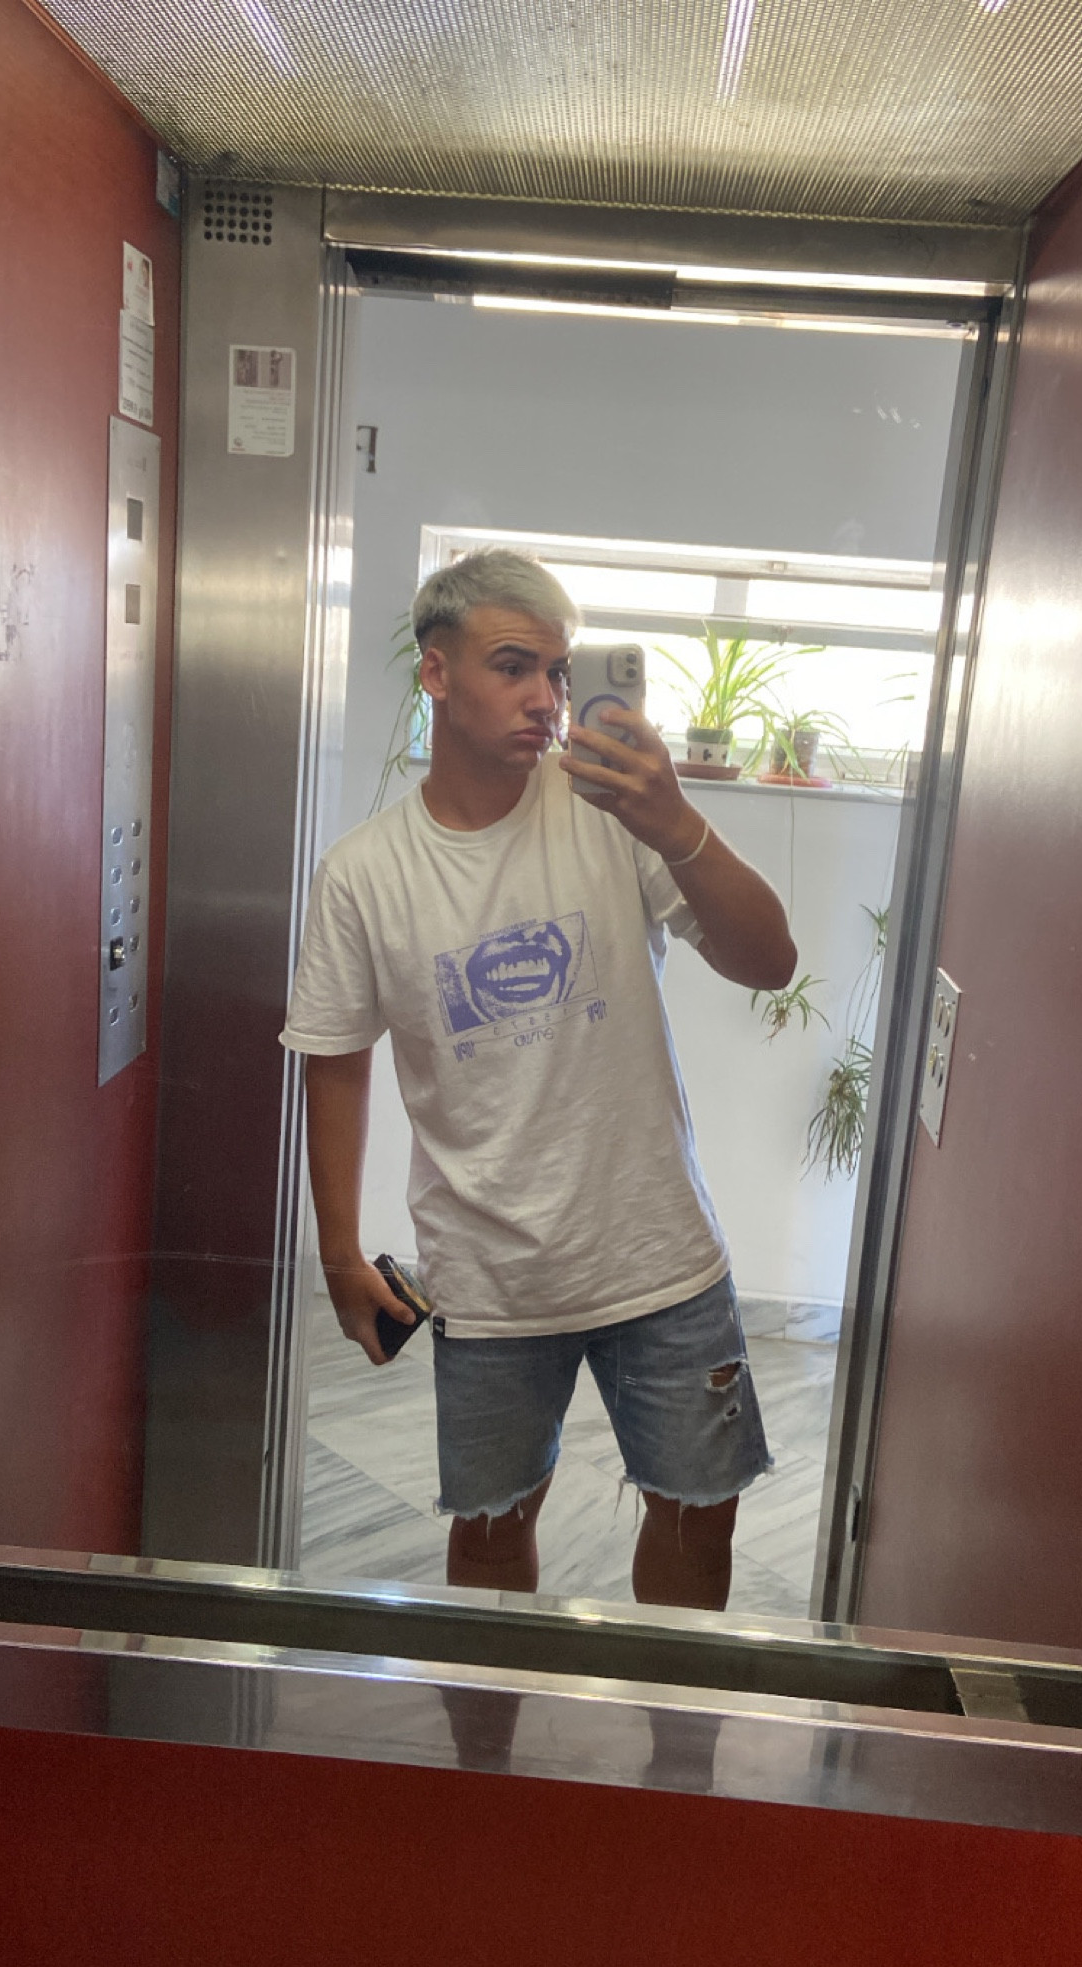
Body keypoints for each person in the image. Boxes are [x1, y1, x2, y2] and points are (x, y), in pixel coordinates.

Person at [281, 548, 797, 1611]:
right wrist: (338, 1255)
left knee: (701, 1515)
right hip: (488, 1273)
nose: (546, 698)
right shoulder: (364, 875)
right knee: (489, 1533)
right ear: (435, 673)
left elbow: (769, 962)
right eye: (513, 666)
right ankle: (486, 1727)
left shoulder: (614, 812)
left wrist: (679, 825)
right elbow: (334, 1060)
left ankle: (668, 1720)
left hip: (660, 1254)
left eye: (558, 672)